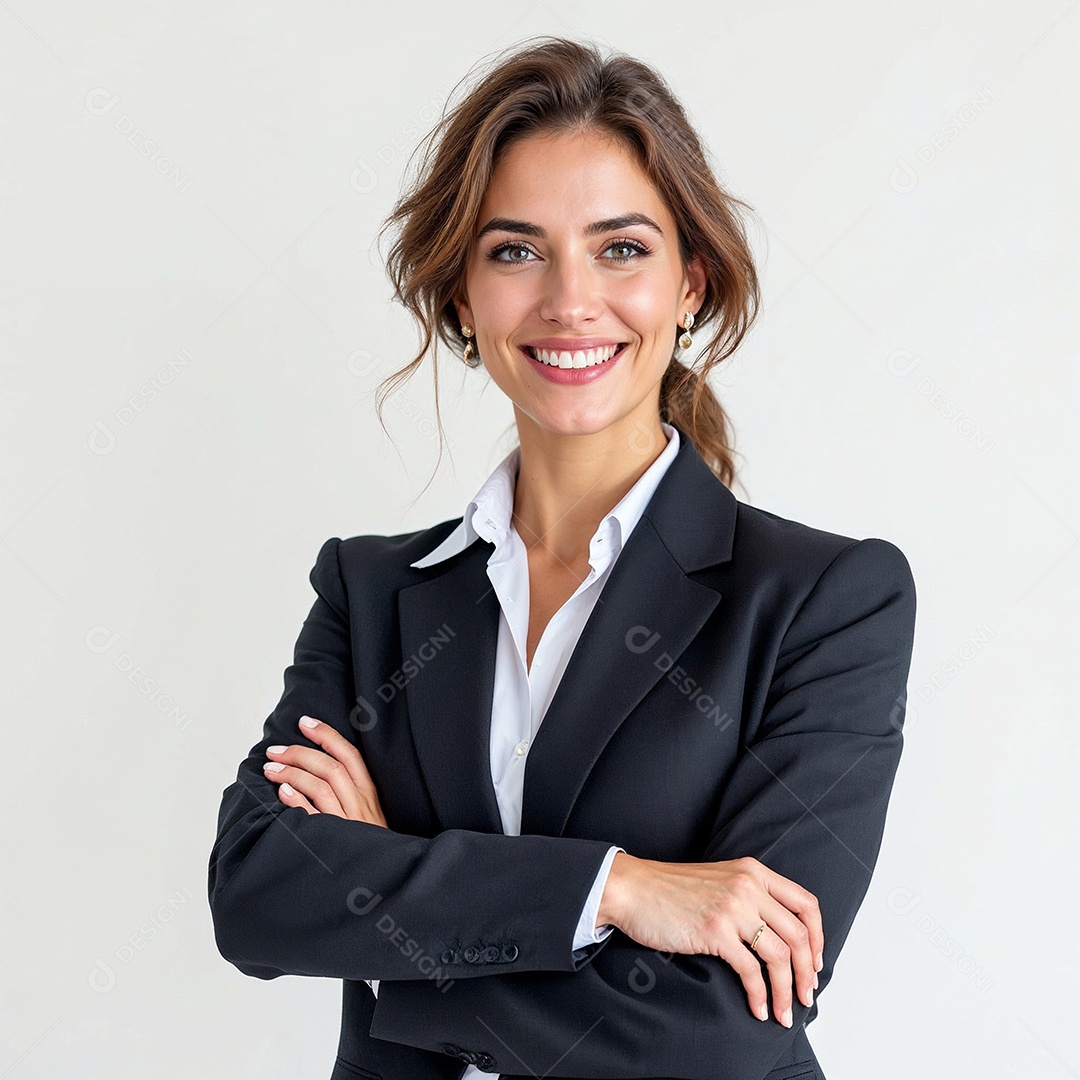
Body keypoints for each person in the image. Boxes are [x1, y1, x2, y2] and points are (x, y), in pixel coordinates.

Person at [208, 35, 917, 1080]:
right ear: (461, 295)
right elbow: (258, 895)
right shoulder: (371, 595)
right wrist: (618, 889)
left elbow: (723, 1024)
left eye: (621, 248)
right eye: (515, 251)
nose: (569, 300)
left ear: (691, 283)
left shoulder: (824, 602)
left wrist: (390, 918)